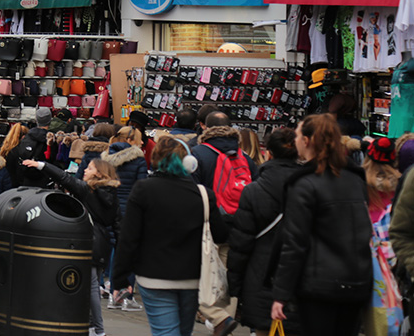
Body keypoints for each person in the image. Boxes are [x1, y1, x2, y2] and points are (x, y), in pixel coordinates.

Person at [113, 135, 228, 336]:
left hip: (153, 276)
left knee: (165, 332)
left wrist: (120, 279)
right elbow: (220, 235)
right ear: (189, 162)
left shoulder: (143, 190)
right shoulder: (203, 194)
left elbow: (129, 238)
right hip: (192, 278)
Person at [271, 114, 373, 336]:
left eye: (297, 135)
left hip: (319, 285)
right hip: (357, 282)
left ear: (307, 141)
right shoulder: (356, 179)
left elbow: (295, 242)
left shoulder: (304, 184)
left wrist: (281, 293)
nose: (295, 140)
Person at [24, 157, 121, 336]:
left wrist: (41, 165)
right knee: (91, 286)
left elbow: (64, 178)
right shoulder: (111, 194)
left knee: (90, 287)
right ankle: (92, 327)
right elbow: (117, 224)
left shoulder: (88, 190)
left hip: (88, 240)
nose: (85, 170)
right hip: (102, 243)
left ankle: (97, 329)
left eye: (90, 168)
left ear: (99, 173)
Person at [227, 127, 300, 336]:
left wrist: (235, 287)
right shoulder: (309, 187)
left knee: (263, 329)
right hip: (299, 276)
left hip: (259, 273)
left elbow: (241, 244)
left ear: (269, 152)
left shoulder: (253, 191)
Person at [190, 112, 257, 335]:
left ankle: (217, 317)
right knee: (228, 272)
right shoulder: (244, 157)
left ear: (205, 128)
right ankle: (225, 318)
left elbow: (191, 192)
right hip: (237, 225)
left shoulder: (198, 154)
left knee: (201, 272)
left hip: (207, 226)